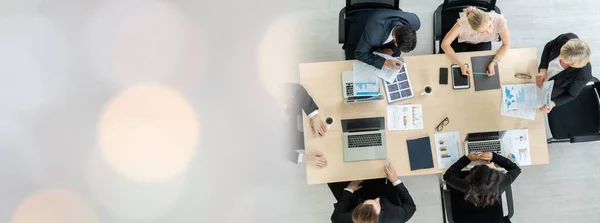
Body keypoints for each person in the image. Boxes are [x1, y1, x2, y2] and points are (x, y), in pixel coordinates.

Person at [329, 162, 416, 223]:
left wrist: (349, 189)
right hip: (385, 193)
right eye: (377, 204)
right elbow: (411, 206)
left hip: (357, 196)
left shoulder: (350, 219)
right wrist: (395, 180)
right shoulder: (395, 218)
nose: (377, 199)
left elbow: (335, 218)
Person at [440, 6, 510, 76]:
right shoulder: (463, 24)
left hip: (483, 42)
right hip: (464, 42)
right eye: (483, 32)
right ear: (472, 29)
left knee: (482, 66)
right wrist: (460, 64)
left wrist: (493, 62)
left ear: (490, 18)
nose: (489, 32)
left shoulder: (499, 21)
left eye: (489, 26)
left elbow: (506, 44)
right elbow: (445, 44)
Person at [345, 9, 420, 70]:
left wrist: (392, 49)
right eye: (396, 45)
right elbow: (360, 54)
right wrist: (385, 62)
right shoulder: (373, 36)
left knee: (396, 55)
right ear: (394, 38)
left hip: (382, 22)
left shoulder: (415, 22)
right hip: (359, 31)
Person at [536, 33, 592, 113]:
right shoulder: (567, 38)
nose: (559, 57)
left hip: (549, 92)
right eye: (561, 53)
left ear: (573, 64)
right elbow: (548, 46)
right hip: (540, 76)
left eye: (563, 59)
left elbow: (571, 95)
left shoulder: (583, 75)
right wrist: (543, 69)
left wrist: (553, 103)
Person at [443, 152, 521, 208]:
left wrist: (467, 159)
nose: (492, 163)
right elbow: (516, 169)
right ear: (498, 178)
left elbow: (447, 176)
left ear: (473, 173)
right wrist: (494, 157)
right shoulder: (500, 185)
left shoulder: (466, 186)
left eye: (488, 165)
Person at [285, 83, 328, 168]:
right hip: (291, 141)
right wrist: (304, 158)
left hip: (297, 116)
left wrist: (314, 116)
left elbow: (297, 89)